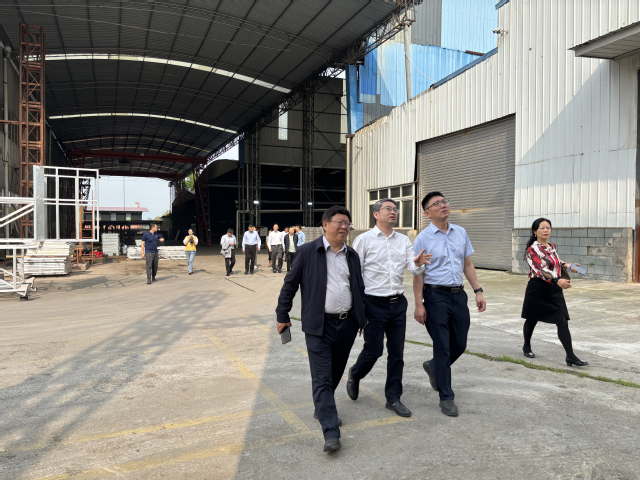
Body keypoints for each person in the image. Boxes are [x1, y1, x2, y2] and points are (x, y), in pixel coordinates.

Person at [276, 206, 366, 454]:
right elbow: (290, 284)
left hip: (347, 325)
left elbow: (358, 288)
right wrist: (282, 314)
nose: (344, 227)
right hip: (319, 325)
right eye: (339, 222)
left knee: (335, 373)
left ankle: (321, 407)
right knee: (322, 378)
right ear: (325, 225)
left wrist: (362, 319)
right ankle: (331, 433)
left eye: (347, 223)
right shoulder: (307, 251)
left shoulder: (352, 255)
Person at [347, 199, 432, 418]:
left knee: (397, 353)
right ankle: (355, 373)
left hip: (397, 304)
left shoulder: (403, 240)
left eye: (395, 209)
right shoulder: (363, 240)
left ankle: (393, 398)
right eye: (388, 209)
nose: (393, 212)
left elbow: (413, 269)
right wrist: (357, 306)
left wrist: (418, 262)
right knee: (374, 350)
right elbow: (355, 274)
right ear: (376, 214)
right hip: (373, 304)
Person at [413, 192, 486, 417]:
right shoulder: (423, 238)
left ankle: (433, 366)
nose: (443, 205)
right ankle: (446, 397)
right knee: (442, 346)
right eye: (436, 204)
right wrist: (418, 304)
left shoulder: (460, 232)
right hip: (435, 296)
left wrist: (478, 291)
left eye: (444, 201)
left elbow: (468, 264)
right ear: (427, 213)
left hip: (458, 295)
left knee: (460, 344)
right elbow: (418, 273)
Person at [521, 218, 588, 366]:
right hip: (538, 288)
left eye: (548, 227)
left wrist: (568, 265)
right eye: (542, 228)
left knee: (562, 320)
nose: (546, 230)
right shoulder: (532, 249)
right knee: (532, 318)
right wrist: (556, 279)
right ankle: (526, 345)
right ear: (535, 231)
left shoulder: (551, 247)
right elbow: (539, 269)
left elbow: (555, 262)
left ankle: (570, 356)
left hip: (553, 288)